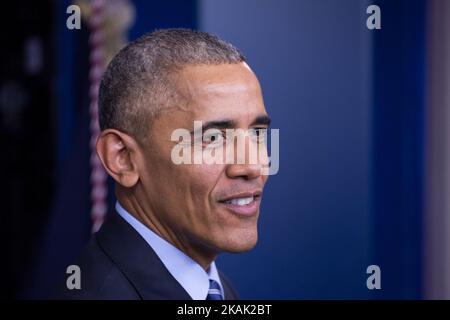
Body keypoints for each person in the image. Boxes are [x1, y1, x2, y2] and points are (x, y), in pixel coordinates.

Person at [59, 28, 271, 300]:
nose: (253, 166)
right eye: (213, 138)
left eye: (257, 133)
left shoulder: (212, 288)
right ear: (122, 158)